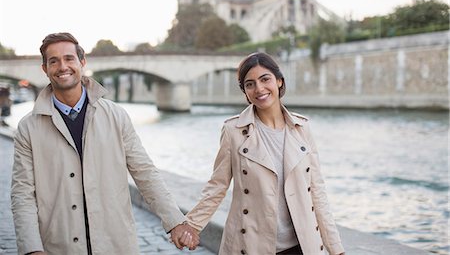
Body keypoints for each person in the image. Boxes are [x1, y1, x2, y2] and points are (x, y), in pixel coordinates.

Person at [10, 32, 197, 255]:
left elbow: (145, 172)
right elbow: (22, 194)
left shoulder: (116, 116)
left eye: (69, 58)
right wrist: (32, 249)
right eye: (54, 61)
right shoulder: (28, 128)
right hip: (59, 247)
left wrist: (175, 221)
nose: (63, 66)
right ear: (45, 69)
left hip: (115, 245)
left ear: (82, 62)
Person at [186, 52, 345, 254]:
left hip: (302, 247)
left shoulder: (302, 128)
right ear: (244, 90)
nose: (259, 89)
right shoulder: (233, 131)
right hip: (251, 245)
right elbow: (217, 186)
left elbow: (317, 191)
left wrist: (335, 248)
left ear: (279, 81)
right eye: (250, 84)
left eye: (265, 79)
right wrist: (192, 225)